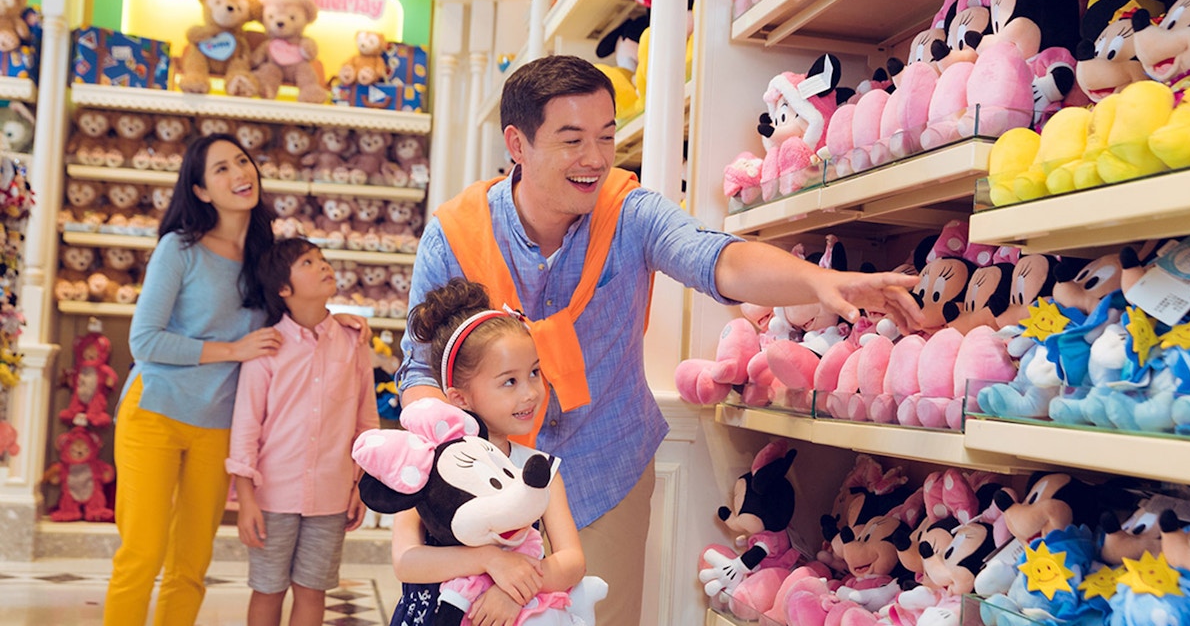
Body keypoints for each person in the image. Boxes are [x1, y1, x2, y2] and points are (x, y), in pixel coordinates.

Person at [398, 54, 923, 626]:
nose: (595, 158)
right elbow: (421, 369)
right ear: (517, 144)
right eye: (572, 140)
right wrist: (450, 463)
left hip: (605, 467)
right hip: (484, 486)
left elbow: (715, 258)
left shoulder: (629, 213)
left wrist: (818, 282)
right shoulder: (456, 233)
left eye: (606, 136)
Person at [104, 135, 368, 626]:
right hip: (155, 412)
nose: (239, 173)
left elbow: (296, 312)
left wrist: (340, 320)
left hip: (219, 426)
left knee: (191, 563)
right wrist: (232, 350)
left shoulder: (266, 256)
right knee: (142, 553)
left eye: (242, 161)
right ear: (201, 190)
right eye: (221, 169)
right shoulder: (178, 249)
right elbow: (144, 341)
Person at [390, 278, 586, 626]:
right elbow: (406, 560)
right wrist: (489, 561)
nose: (530, 392)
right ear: (460, 397)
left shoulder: (537, 470)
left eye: (534, 373)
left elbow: (572, 561)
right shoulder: (428, 464)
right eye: (509, 381)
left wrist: (514, 590)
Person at [226, 237, 378, 626]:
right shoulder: (266, 348)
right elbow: (246, 428)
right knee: (268, 589)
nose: (323, 265)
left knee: (313, 591)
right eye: (308, 262)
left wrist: (360, 484)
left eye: (322, 258)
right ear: (283, 288)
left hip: (331, 495)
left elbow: (366, 421)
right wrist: (246, 500)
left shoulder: (354, 341)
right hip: (272, 496)